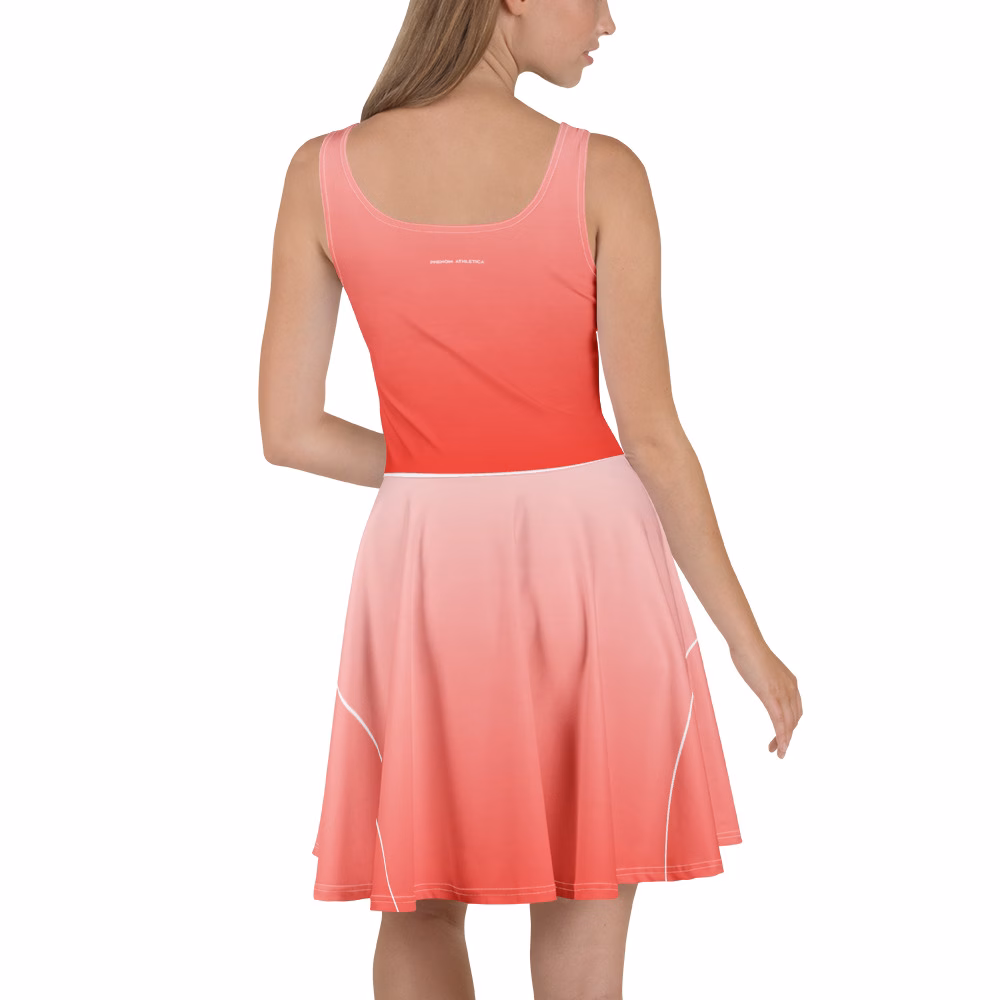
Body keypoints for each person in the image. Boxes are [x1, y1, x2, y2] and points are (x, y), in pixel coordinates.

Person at [258, 0, 802, 996]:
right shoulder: (603, 172)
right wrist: (747, 641)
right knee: (584, 900)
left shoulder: (319, 173)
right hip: (590, 563)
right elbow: (652, 437)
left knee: (419, 900)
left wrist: (442, 468)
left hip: (427, 567)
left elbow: (288, 430)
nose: (609, 22)